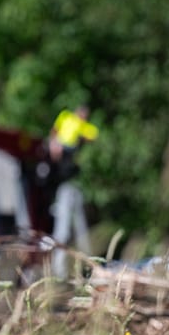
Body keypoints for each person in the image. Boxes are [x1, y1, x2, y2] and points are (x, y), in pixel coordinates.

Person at [46, 105, 99, 278]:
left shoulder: (82, 128)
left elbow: (93, 136)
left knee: (81, 231)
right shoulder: (66, 118)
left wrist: (82, 139)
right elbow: (54, 132)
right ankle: (59, 271)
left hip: (73, 185)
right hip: (64, 186)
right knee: (63, 231)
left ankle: (89, 270)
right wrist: (54, 143)